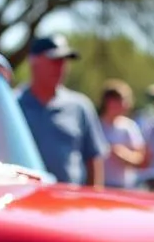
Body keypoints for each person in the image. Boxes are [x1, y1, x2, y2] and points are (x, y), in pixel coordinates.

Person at [16, 34, 107, 186]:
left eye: (64, 62)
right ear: (34, 61)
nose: (60, 68)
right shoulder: (12, 105)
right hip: (20, 199)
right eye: (54, 61)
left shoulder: (80, 106)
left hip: (68, 202)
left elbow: (94, 160)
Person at [96, 79, 145, 188]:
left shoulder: (129, 126)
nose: (122, 105)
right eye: (116, 101)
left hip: (123, 185)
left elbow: (140, 159)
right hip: (98, 184)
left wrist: (123, 154)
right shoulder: (95, 125)